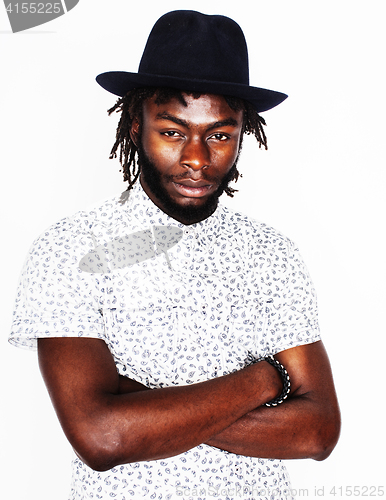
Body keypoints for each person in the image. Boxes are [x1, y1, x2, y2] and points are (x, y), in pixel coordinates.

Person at [9, 10, 340, 500]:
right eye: (172, 131)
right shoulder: (70, 248)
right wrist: (265, 380)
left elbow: (317, 433)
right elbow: (103, 437)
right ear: (135, 123)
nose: (196, 158)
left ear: (243, 133)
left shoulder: (272, 254)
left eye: (220, 136)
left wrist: (142, 405)